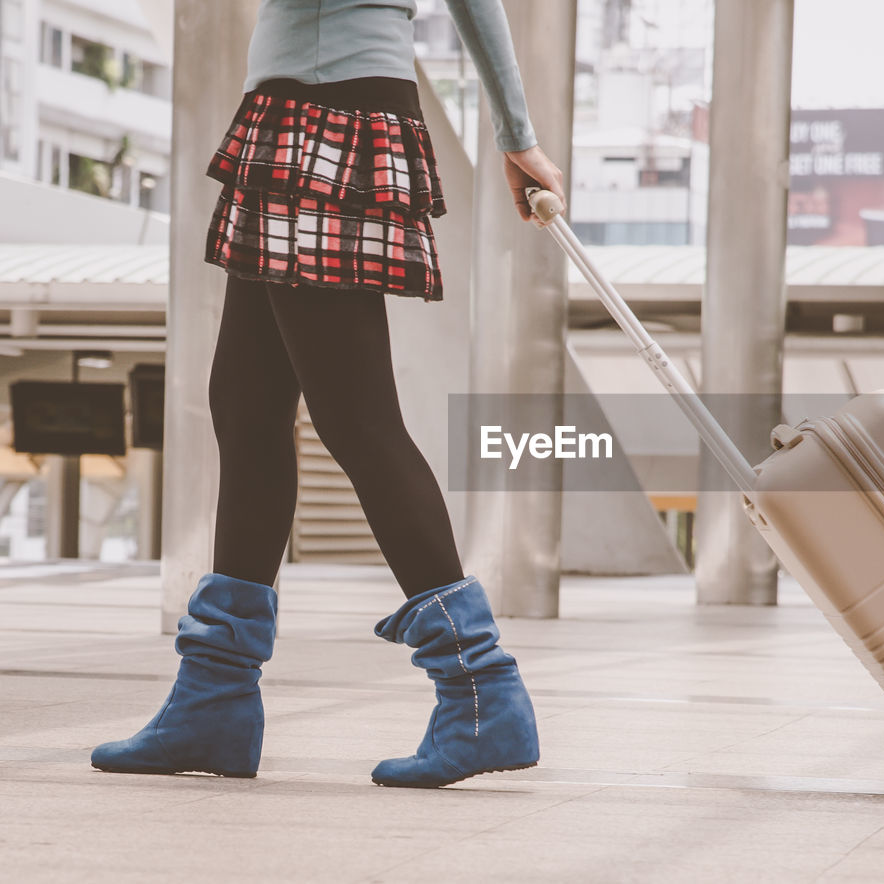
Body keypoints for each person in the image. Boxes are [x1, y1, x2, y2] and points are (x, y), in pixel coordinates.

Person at [90, 0, 566, 789]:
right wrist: (516, 136)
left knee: (359, 420)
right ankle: (214, 701)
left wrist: (518, 137)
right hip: (305, 111)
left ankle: (481, 692)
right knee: (245, 409)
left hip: (324, 118)